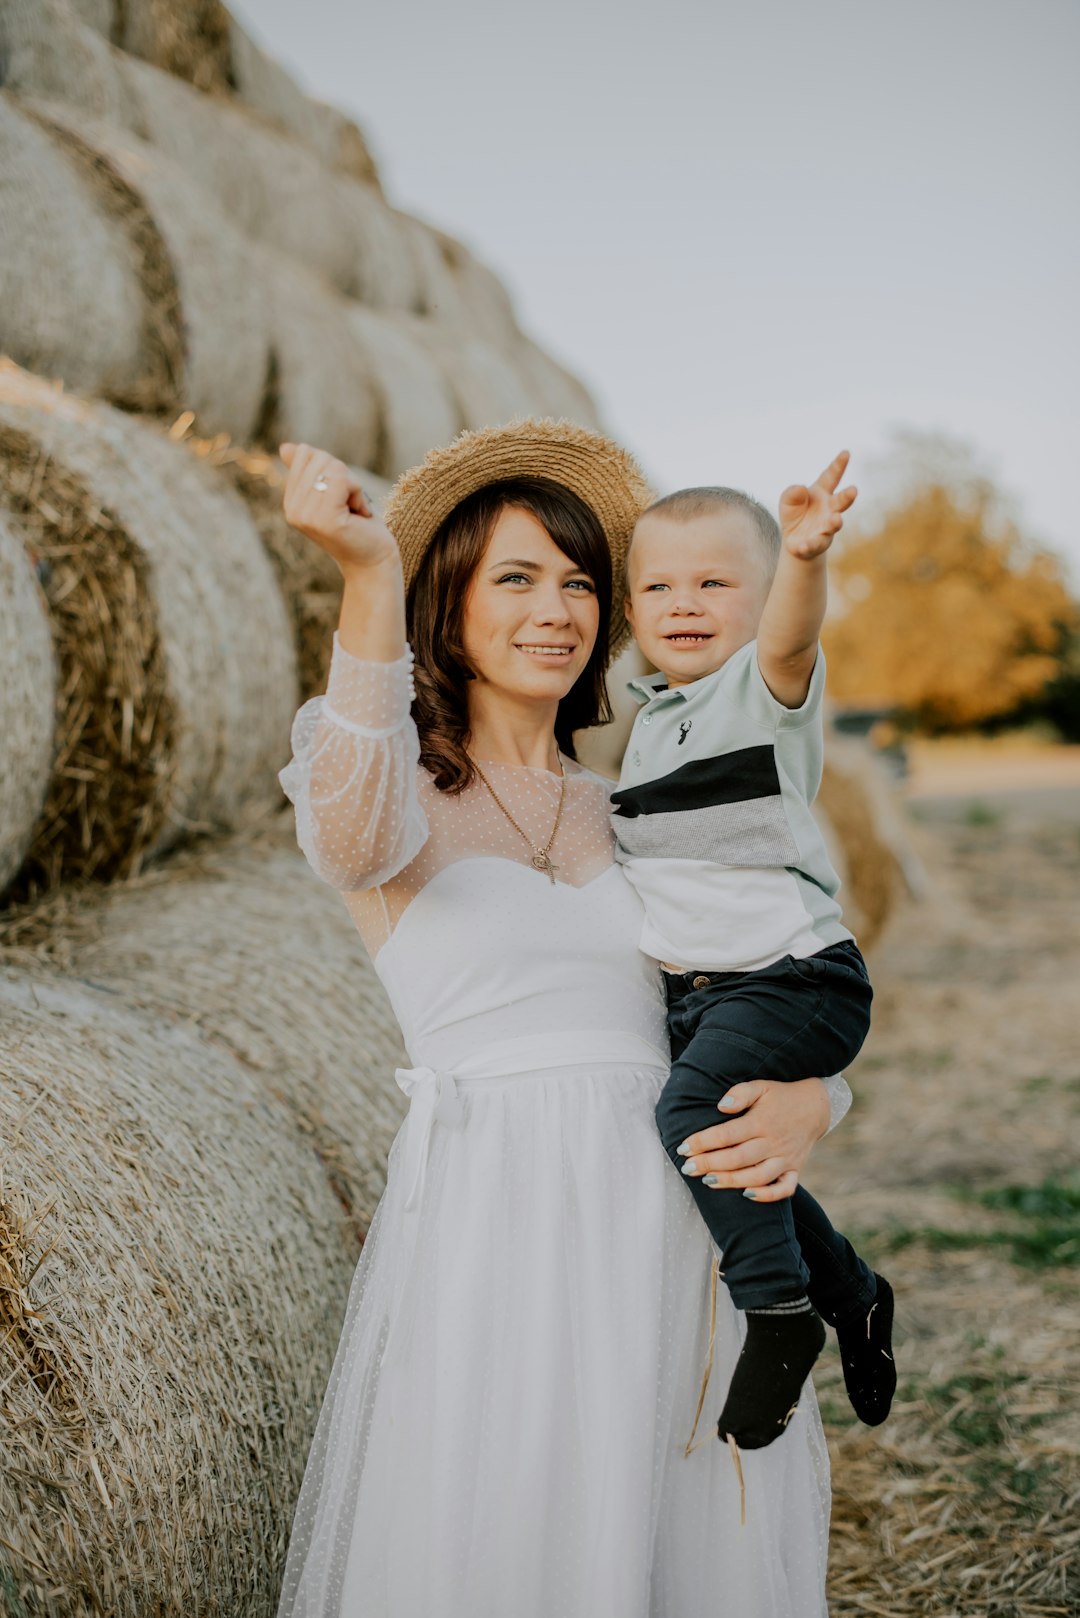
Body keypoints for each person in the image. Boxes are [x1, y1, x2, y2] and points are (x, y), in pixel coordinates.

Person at [273, 419, 852, 1617]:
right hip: (503, 1230)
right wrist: (368, 572)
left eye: (583, 582)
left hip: (672, 1227)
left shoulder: (638, 805)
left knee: (676, 1536)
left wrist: (818, 1098)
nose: (558, 608)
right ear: (450, 602)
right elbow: (343, 821)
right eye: (517, 578)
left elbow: (773, 970)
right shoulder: (387, 797)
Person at [614, 457, 896, 1454]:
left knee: (688, 1114)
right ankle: (855, 1295)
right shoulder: (648, 721)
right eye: (658, 586)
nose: (683, 603)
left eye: (715, 582)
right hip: (710, 993)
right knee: (738, 1152)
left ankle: (777, 1316)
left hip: (793, 973)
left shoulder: (755, 692)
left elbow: (792, 637)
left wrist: (807, 560)